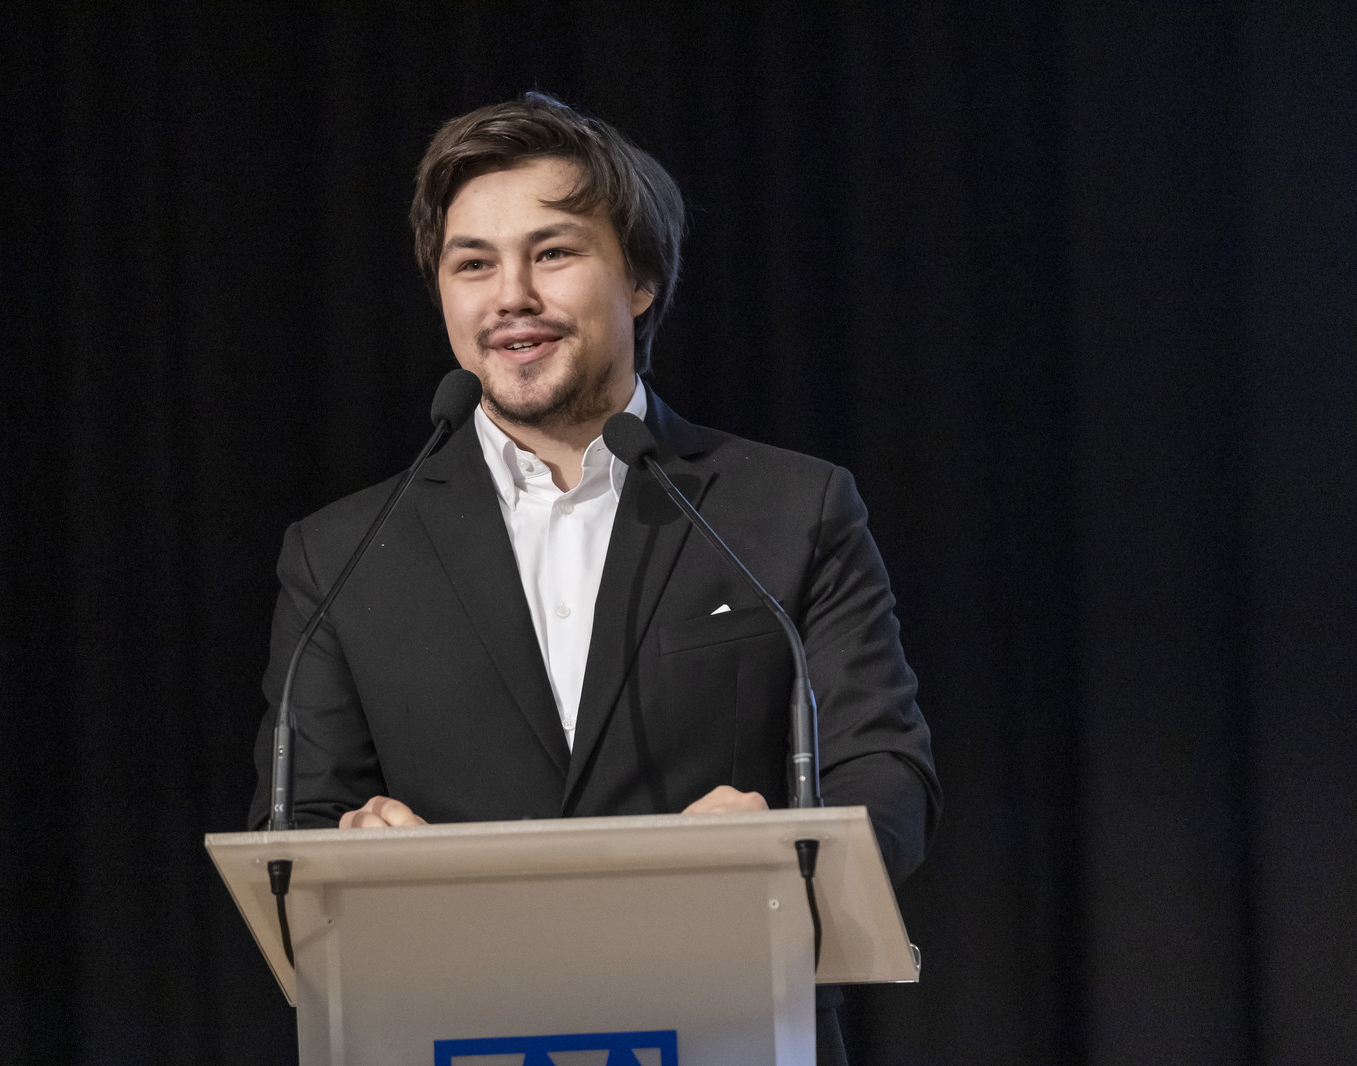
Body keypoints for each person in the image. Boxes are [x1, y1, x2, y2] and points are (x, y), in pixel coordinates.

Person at [250, 91, 939, 1065]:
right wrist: (346, 850)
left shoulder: (789, 510)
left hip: (731, 1021)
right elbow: (294, 826)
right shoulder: (345, 551)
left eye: (553, 253)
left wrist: (783, 847)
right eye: (473, 264)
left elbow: (885, 768)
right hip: (455, 1029)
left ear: (642, 278)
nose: (511, 296)